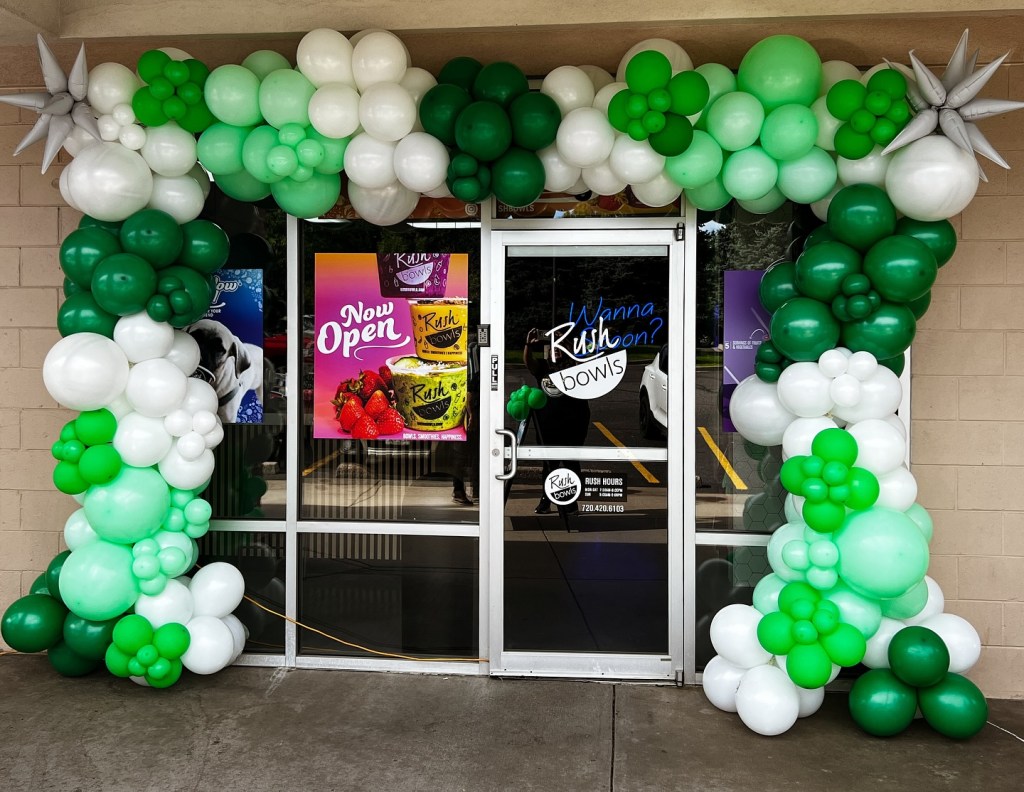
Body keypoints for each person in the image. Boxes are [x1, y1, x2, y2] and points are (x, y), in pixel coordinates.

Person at [523, 328, 591, 514]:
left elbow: (583, 361)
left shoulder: (574, 368)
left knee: (571, 463)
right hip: (548, 423)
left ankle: (570, 503)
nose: (556, 350)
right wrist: (528, 345)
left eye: (560, 348)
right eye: (553, 347)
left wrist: (566, 342)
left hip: (573, 422)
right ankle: (546, 500)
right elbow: (529, 363)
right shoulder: (544, 368)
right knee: (549, 464)